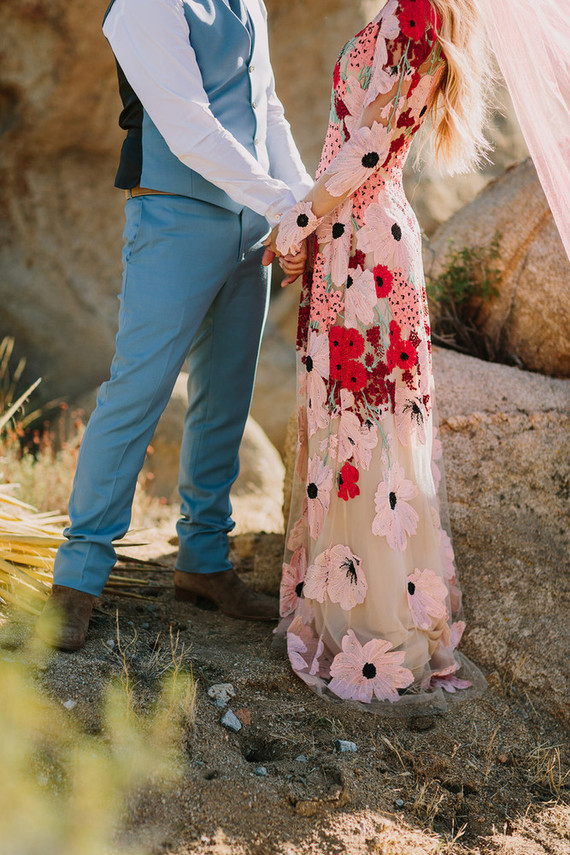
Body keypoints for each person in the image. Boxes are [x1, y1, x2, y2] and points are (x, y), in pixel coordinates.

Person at [37, 0, 311, 651]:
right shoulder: (142, 5)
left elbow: (267, 107)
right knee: (137, 391)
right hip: (174, 219)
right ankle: (75, 582)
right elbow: (188, 126)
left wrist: (301, 206)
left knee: (225, 397)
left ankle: (204, 563)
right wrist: (283, 206)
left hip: (253, 228)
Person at [264, 0, 496, 714]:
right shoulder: (414, 18)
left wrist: (296, 222)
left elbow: (366, 147)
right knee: (362, 422)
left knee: (362, 424)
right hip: (366, 235)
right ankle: (358, 606)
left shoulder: (412, 19)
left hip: (364, 242)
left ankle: (367, 625)